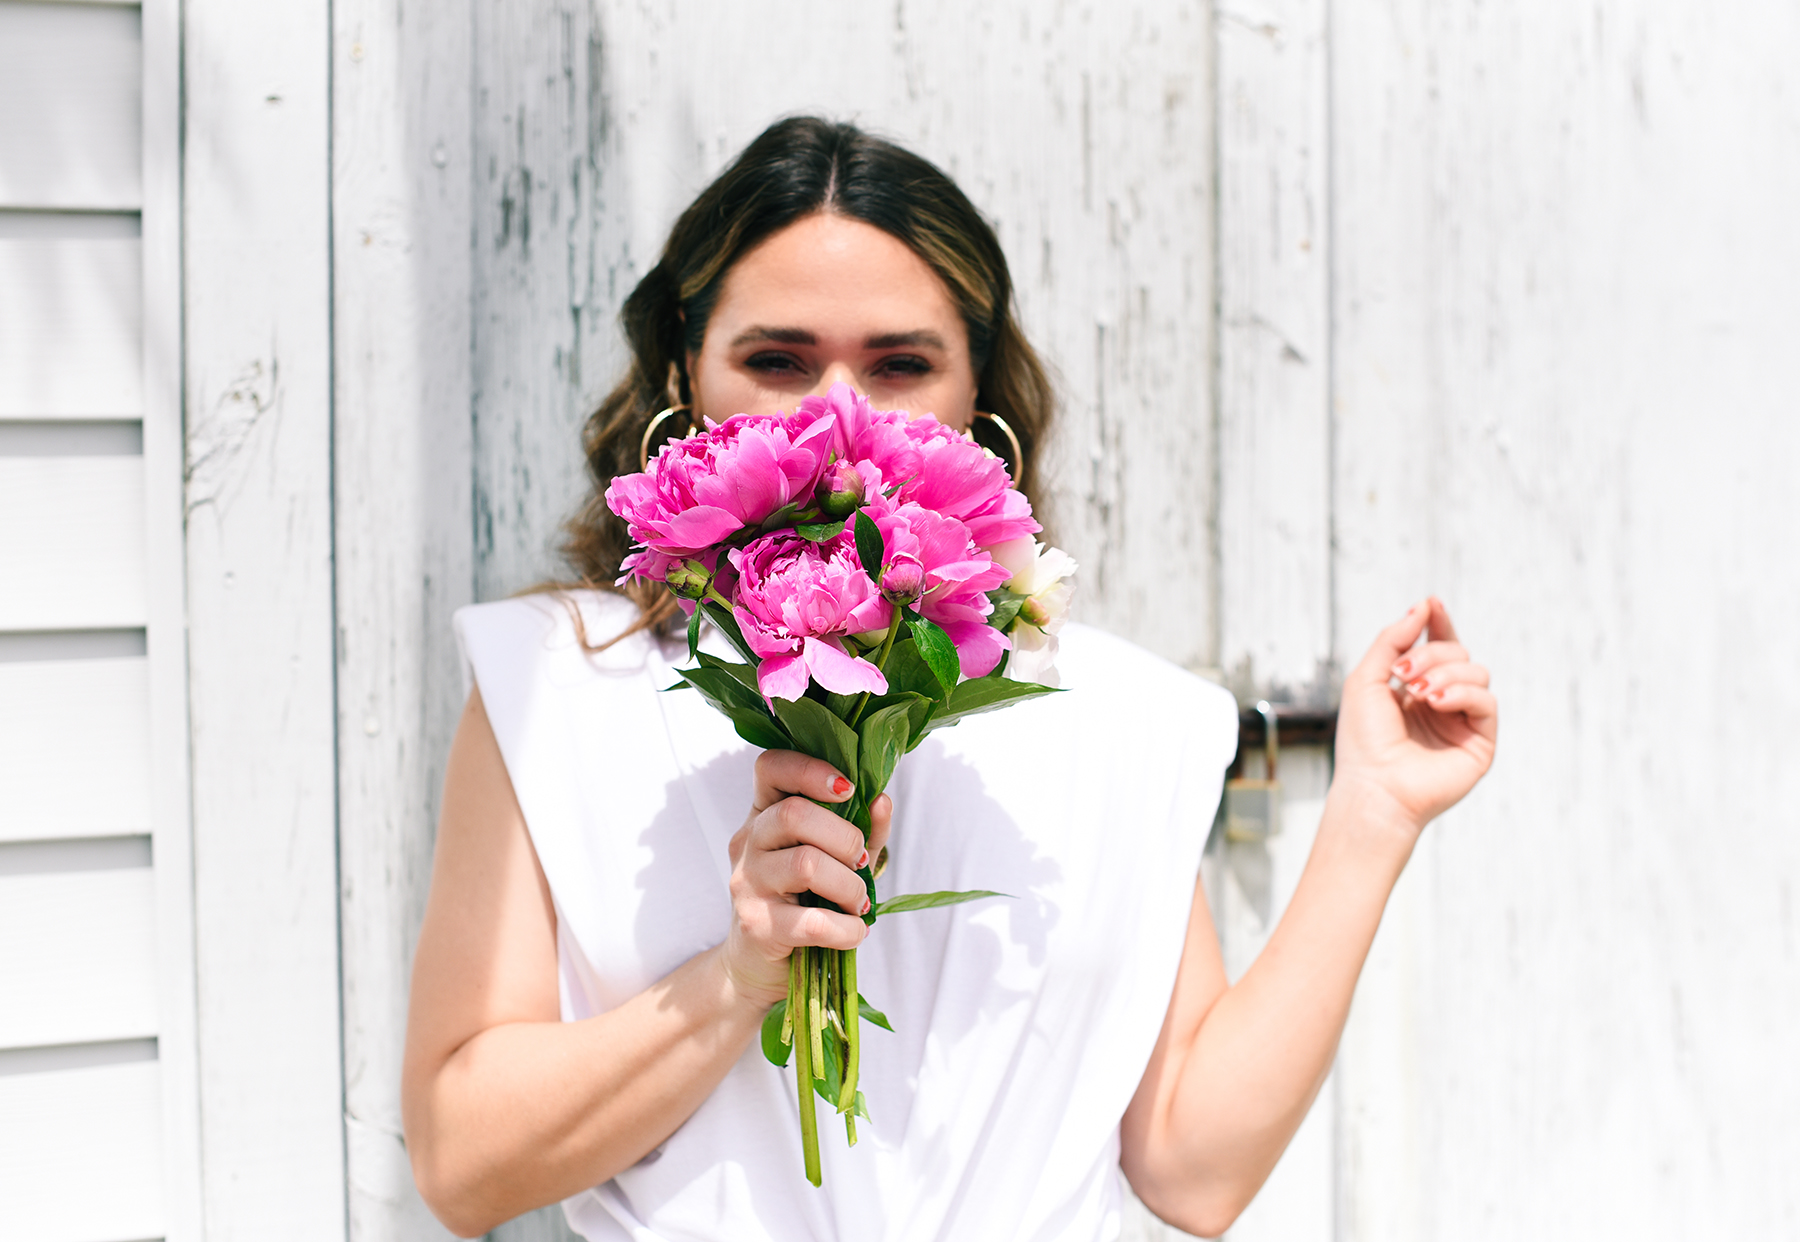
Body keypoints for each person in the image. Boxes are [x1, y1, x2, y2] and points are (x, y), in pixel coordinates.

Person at [401, 117, 1497, 1240]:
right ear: (685, 375)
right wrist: (738, 977)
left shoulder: (1125, 718)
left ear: (978, 397)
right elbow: (459, 1164)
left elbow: (1191, 1167)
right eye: (777, 360)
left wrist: (1372, 813)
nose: (837, 413)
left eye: (900, 364)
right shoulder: (559, 686)